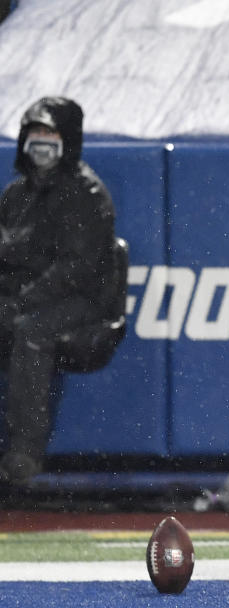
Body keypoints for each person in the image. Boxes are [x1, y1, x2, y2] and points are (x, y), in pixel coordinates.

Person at [0, 97, 120, 485]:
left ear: (67, 139)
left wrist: (22, 299)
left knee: (31, 330)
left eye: (50, 133)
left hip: (83, 302)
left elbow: (78, 269)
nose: (41, 141)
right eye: (34, 132)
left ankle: (24, 454)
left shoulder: (86, 193)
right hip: (26, 296)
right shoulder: (16, 195)